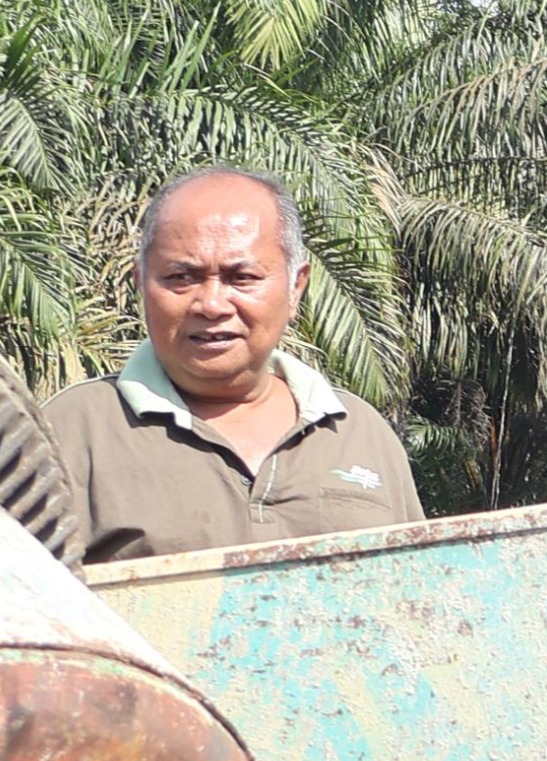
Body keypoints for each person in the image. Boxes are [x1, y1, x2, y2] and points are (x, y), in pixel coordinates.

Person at [53, 168, 425, 562]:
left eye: (242, 277)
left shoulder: (359, 432)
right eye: (181, 277)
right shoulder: (73, 430)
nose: (211, 304)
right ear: (141, 283)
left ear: (296, 287)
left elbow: (417, 583)